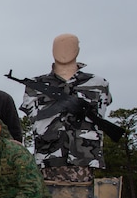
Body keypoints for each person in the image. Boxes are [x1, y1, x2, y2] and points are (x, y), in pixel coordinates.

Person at [20, 33, 112, 182]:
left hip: (85, 160)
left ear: (78, 50)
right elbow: (34, 118)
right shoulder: (35, 85)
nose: (63, 51)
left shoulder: (99, 84)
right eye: (58, 46)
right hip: (47, 159)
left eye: (70, 46)